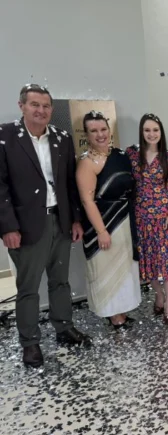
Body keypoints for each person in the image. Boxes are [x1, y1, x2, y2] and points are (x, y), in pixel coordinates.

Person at [0, 84, 91, 367]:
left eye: (46, 105)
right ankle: (30, 342)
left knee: (60, 281)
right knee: (28, 287)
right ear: (22, 106)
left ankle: (64, 327)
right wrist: (7, 227)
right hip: (26, 226)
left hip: (60, 221)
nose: (41, 110)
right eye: (35, 104)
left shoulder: (62, 138)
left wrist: (75, 219)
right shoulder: (5, 136)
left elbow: (69, 183)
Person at [77, 111, 141, 328]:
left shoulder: (121, 156)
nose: (100, 134)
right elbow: (87, 201)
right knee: (106, 269)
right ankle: (113, 316)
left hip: (125, 219)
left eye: (103, 129)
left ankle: (121, 310)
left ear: (109, 130)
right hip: (103, 223)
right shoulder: (86, 162)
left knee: (123, 269)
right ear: (87, 134)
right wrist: (101, 231)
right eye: (94, 131)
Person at [126, 114, 168, 323]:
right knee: (148, 261)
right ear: (141, 132)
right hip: (141, 217)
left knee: (167, 261)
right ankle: (159, 294)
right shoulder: (132, 155)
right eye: (147, 130)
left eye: (155, 130)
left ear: (161, 132)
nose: (151, 134)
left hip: (163, 216)